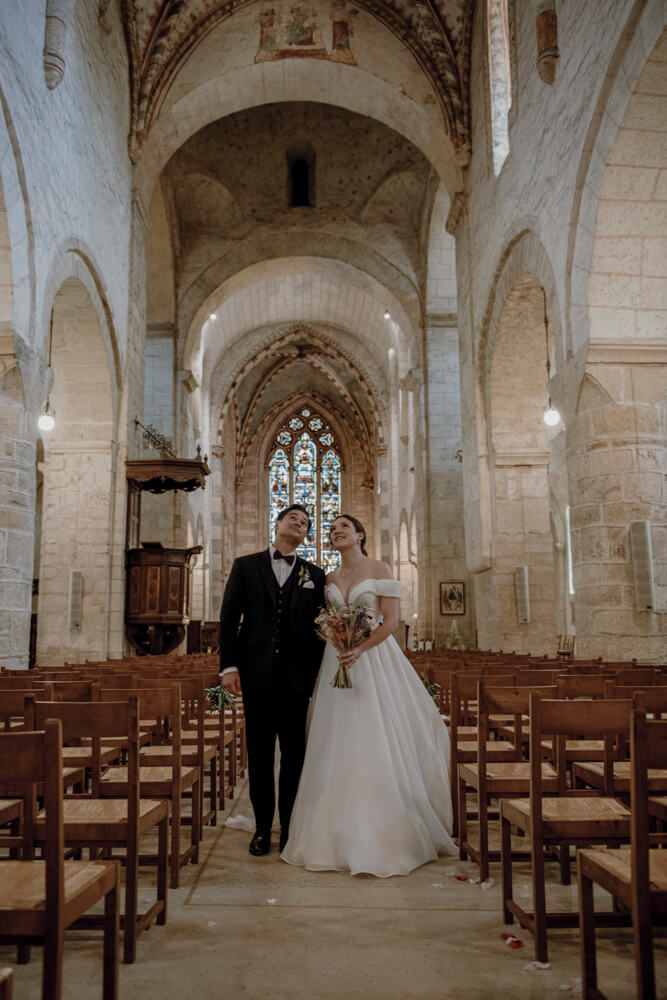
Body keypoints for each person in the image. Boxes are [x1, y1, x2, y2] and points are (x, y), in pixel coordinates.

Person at [281, 513, 456, 876]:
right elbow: (324, 619)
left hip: (373, 658)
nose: (337, 531)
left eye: (344, 526)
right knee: (335, 736)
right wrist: (338, 640)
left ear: (360, 534)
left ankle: (382, 829)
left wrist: (360, 648)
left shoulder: (379, 568)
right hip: (336, 658)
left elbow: (390, 621)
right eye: (332, 529)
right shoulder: (328, 578)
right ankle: (330, 828)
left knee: (372, 732)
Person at [219, 504, 325, 855]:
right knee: (260, 754)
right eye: (293, 518)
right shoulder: (246, 566)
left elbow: (320, 630)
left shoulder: (315, 574)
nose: (299, 523)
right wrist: (228, 667)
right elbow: (229, 618)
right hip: (256, 676)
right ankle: (263, 828)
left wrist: (316, 676)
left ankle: (290, 828)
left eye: (305, 523)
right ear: (277, 523)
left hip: (297, 681)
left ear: (306, 535)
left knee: (294, 755)